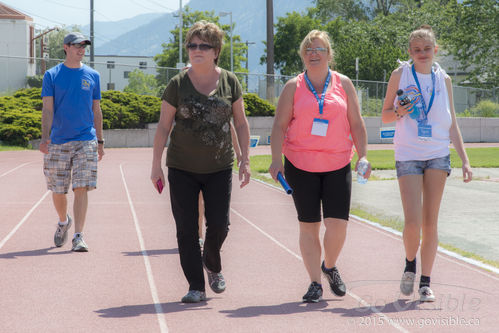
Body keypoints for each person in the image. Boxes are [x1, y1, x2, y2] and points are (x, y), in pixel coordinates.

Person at [150, 21, 251, 303]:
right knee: (185, 228)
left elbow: (241, 124)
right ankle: (196, 285)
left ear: (216, 51)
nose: (196, 50)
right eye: (192, 45)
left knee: (220, 225)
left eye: (203, 46)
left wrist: (245, 160)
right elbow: (162, 127)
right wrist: (156, 164)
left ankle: (212, 262)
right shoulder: (177, 84)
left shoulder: (230, 81)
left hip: (219, 166)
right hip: (182, 167)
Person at [269, 30, 370, 303]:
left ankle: (330, 265)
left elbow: (357, 123)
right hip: (300, 164)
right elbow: (279, 125)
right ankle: (315, 282)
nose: (314, 53)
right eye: (308, 50)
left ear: (329, 54)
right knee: (309, 226)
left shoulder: (344, 83)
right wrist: (276, 158)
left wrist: (362, 156)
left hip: (338, 162)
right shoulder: (293, 86)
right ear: (303, 55)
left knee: (338, 226)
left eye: (319, 49)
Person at [381, 25, 472, 302]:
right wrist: (398, 111)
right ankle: (410, 264)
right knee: (412, 222)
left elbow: (452, 123)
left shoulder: (443, 79)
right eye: (417, 49)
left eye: (427, 49)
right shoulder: (400, 75)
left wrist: (465, 160)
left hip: (437, 154)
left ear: (435, 50)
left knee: (430, 223)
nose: (422, 53)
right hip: (408, 154)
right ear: (410, 52)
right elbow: (384, 116)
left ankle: (425, 281)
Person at [40, 32, 104, 252]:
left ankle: (78, 235)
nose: (81, 49)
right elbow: (48, 109)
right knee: (58, 191)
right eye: (77, 45)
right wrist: (44, 137)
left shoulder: (93, 75)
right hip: (58, 141)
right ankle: (63, 221)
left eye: (84, 46)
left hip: (86, 139)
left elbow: (97, 109)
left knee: (81, 187)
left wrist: (101, 140)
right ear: (66, 47)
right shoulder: (52, 75)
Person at [198, 124, 241, 249]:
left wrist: (239, 153)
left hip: (218, 164)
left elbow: (231, 126)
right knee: (197, 202)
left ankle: (212, 238)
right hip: (194, 162)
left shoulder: (220, 108)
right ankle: (199, 236)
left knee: (215, 207)